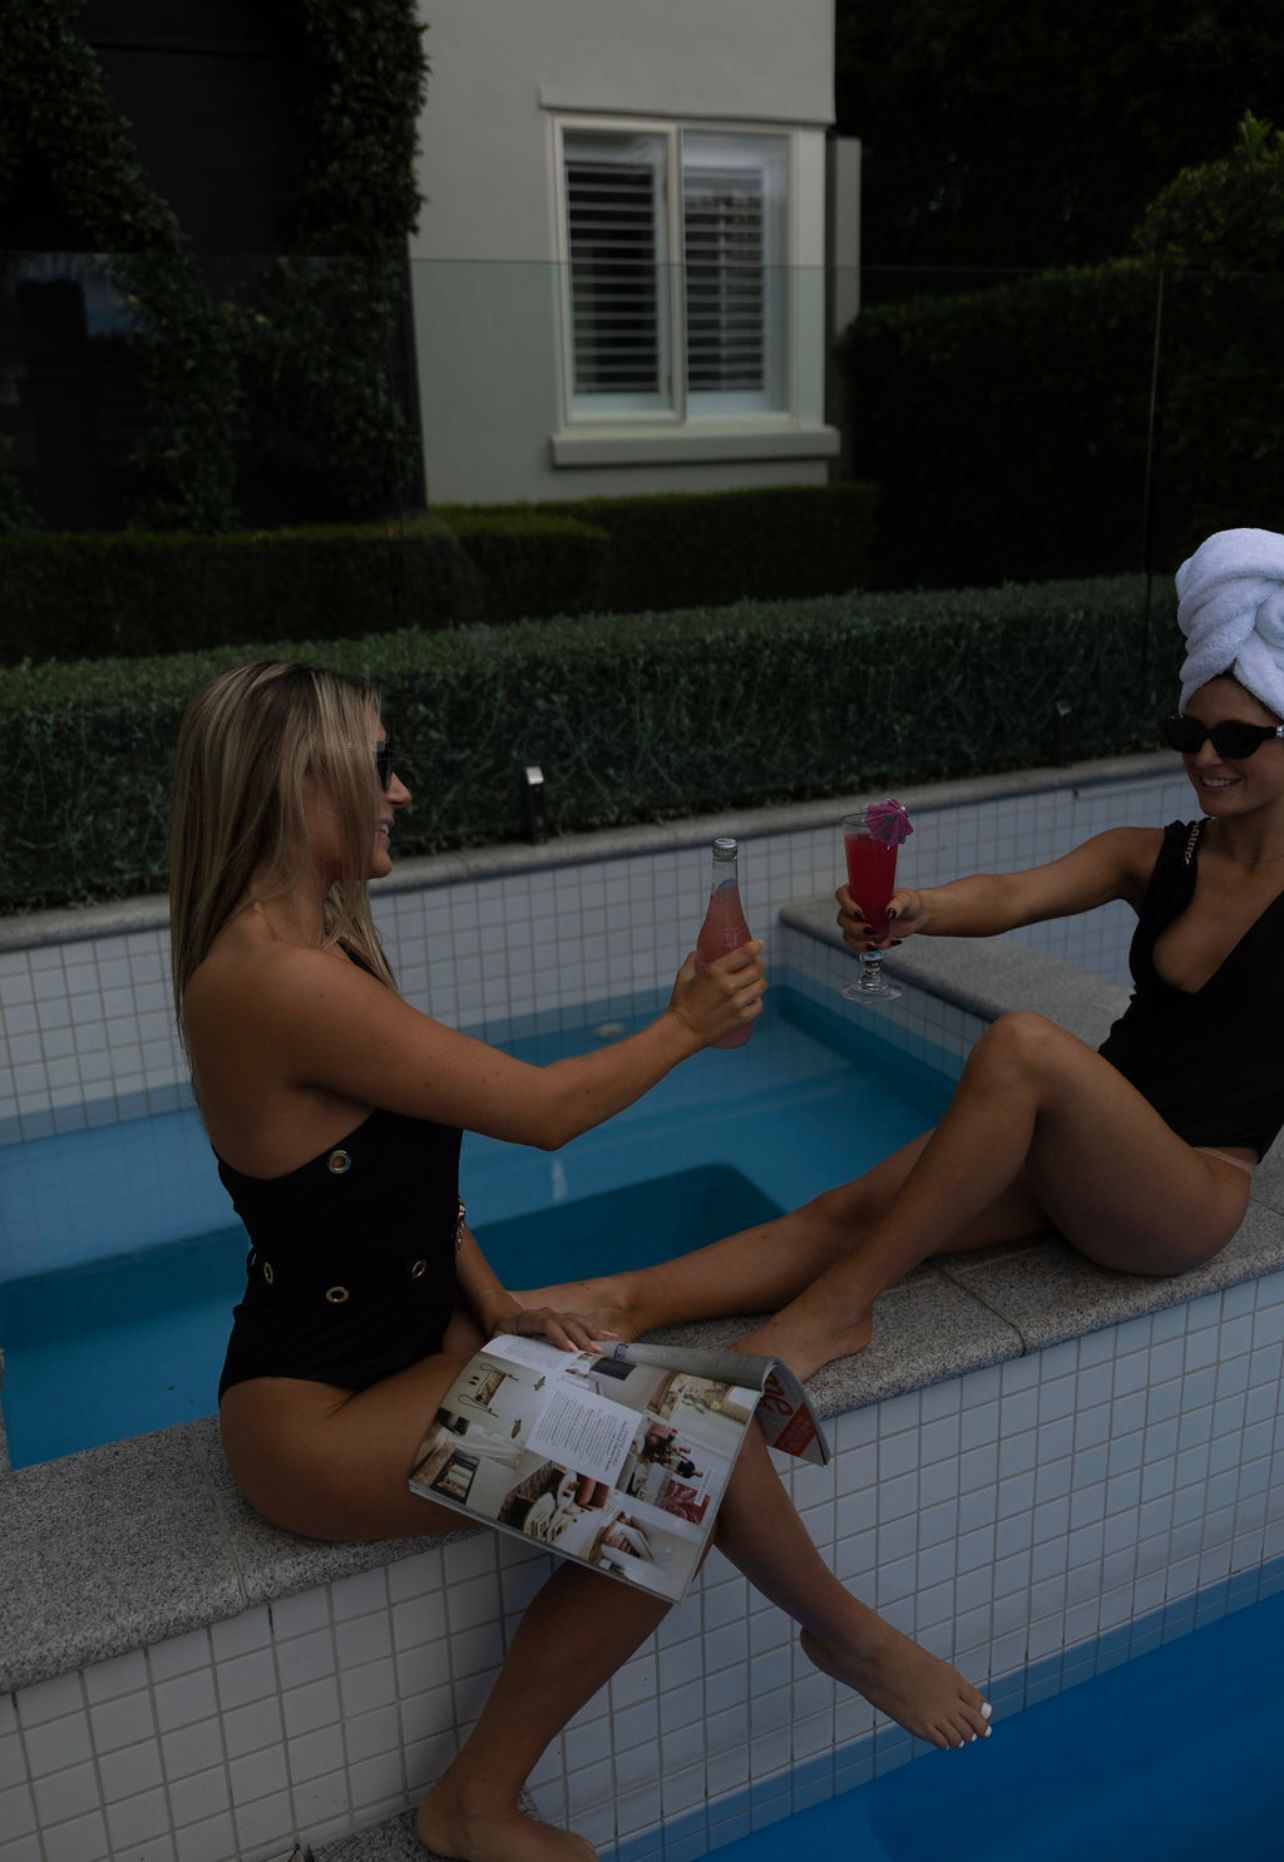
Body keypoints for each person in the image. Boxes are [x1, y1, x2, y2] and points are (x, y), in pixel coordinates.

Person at [169, 661, 991, 1862]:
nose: (400, 790)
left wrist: (500, 1306)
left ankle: (491, 1791)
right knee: (684, 1449)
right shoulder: (274, 978)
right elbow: (544, 1111)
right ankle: (819, 1646)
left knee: (692, 1421)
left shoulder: (320, 948)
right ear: (302, 787)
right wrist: (686, 1026)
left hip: (411, 1348)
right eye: (378, 765)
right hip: (314, 1411)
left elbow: (403, 1184)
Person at [523, 528, 1284, 1382]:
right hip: (1082, 1156)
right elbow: (1013, 894)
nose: (1205, 758)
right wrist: (918, 910)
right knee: (852, 1207)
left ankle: (838, 1312)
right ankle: (616, 1299)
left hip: (1183, 1195)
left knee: (1025, 1045)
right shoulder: (1155, 855)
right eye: (1189, 732)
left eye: (1238, 740)